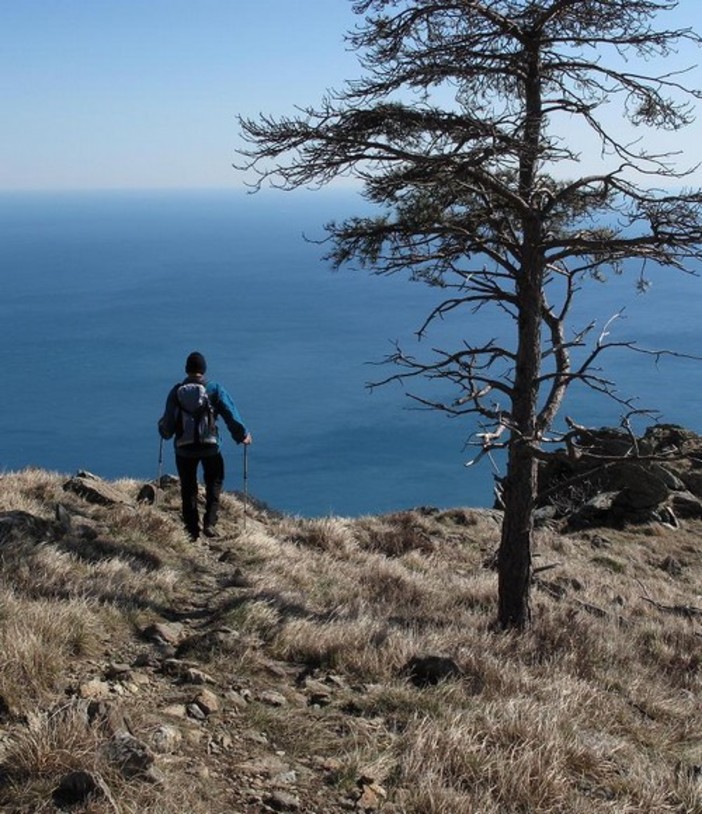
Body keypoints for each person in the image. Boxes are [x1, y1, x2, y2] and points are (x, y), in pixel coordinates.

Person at [158, 351, 252, 540]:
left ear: (186, 369)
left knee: (188, 487)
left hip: (184, 449)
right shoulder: (214, 389)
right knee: (214, 481)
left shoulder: (176, 392)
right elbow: (230, 414)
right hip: (210, 447)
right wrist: (242, 435)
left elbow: (168, 424)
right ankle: (210, 522)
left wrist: (164, 432)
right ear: (204, 370)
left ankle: (192, 530)